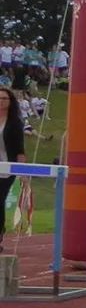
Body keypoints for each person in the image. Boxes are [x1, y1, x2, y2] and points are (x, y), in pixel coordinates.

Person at [0, 86, 27, 254]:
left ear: (10, 102)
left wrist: (23, 172)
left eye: (4, 98)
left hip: (6, 169)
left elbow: (19, 150)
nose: (1, 101)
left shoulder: (15, 123)